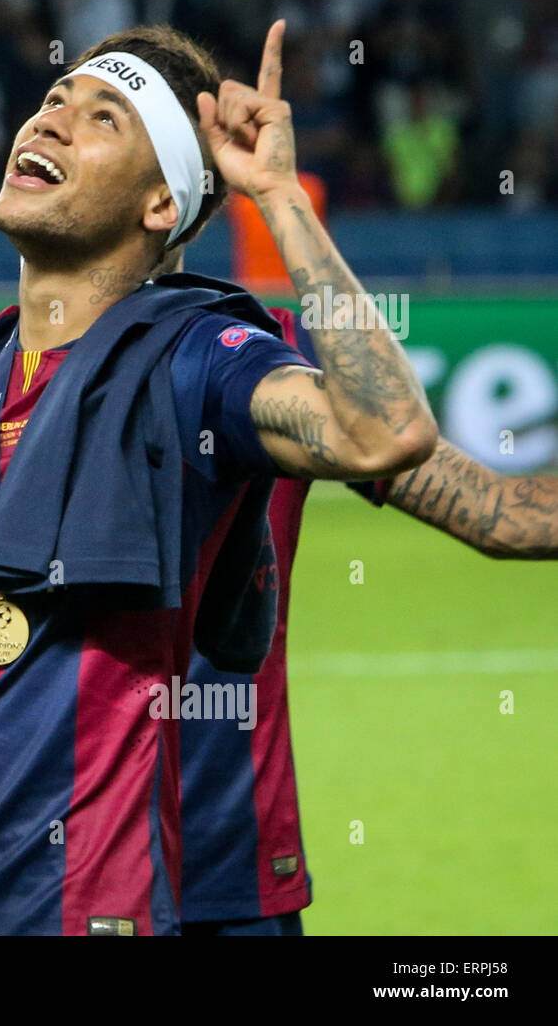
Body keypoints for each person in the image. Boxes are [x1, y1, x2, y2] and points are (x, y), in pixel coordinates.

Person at [0, 21, 438, 935]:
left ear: (160, 206)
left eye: (102, 118)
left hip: (87, 906)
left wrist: (281, 198)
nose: (49, 122)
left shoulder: (197, 359)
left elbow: (385, 432)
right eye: (53, 100)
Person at [178, 302, 558, 937]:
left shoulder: (263, 357)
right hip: (47, 862)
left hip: (226, 867)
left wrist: (283, 204)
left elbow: (502, 512)